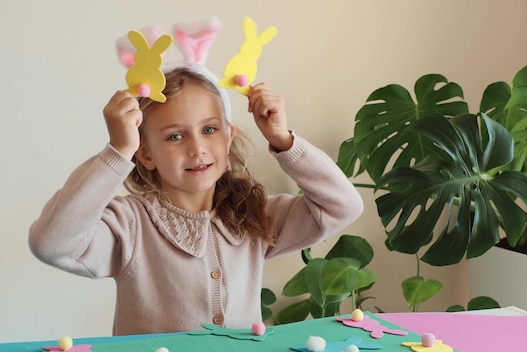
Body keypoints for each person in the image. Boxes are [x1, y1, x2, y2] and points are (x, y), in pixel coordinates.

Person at [28, 66, 364, 336]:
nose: (196, 148)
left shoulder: (253, 214)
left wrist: (283, 140)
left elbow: (343, 206)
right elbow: (51, 243)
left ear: (228, 136)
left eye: (209, 130)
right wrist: (117, 153)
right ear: (145, 153)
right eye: (175, 136)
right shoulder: (129, 224)